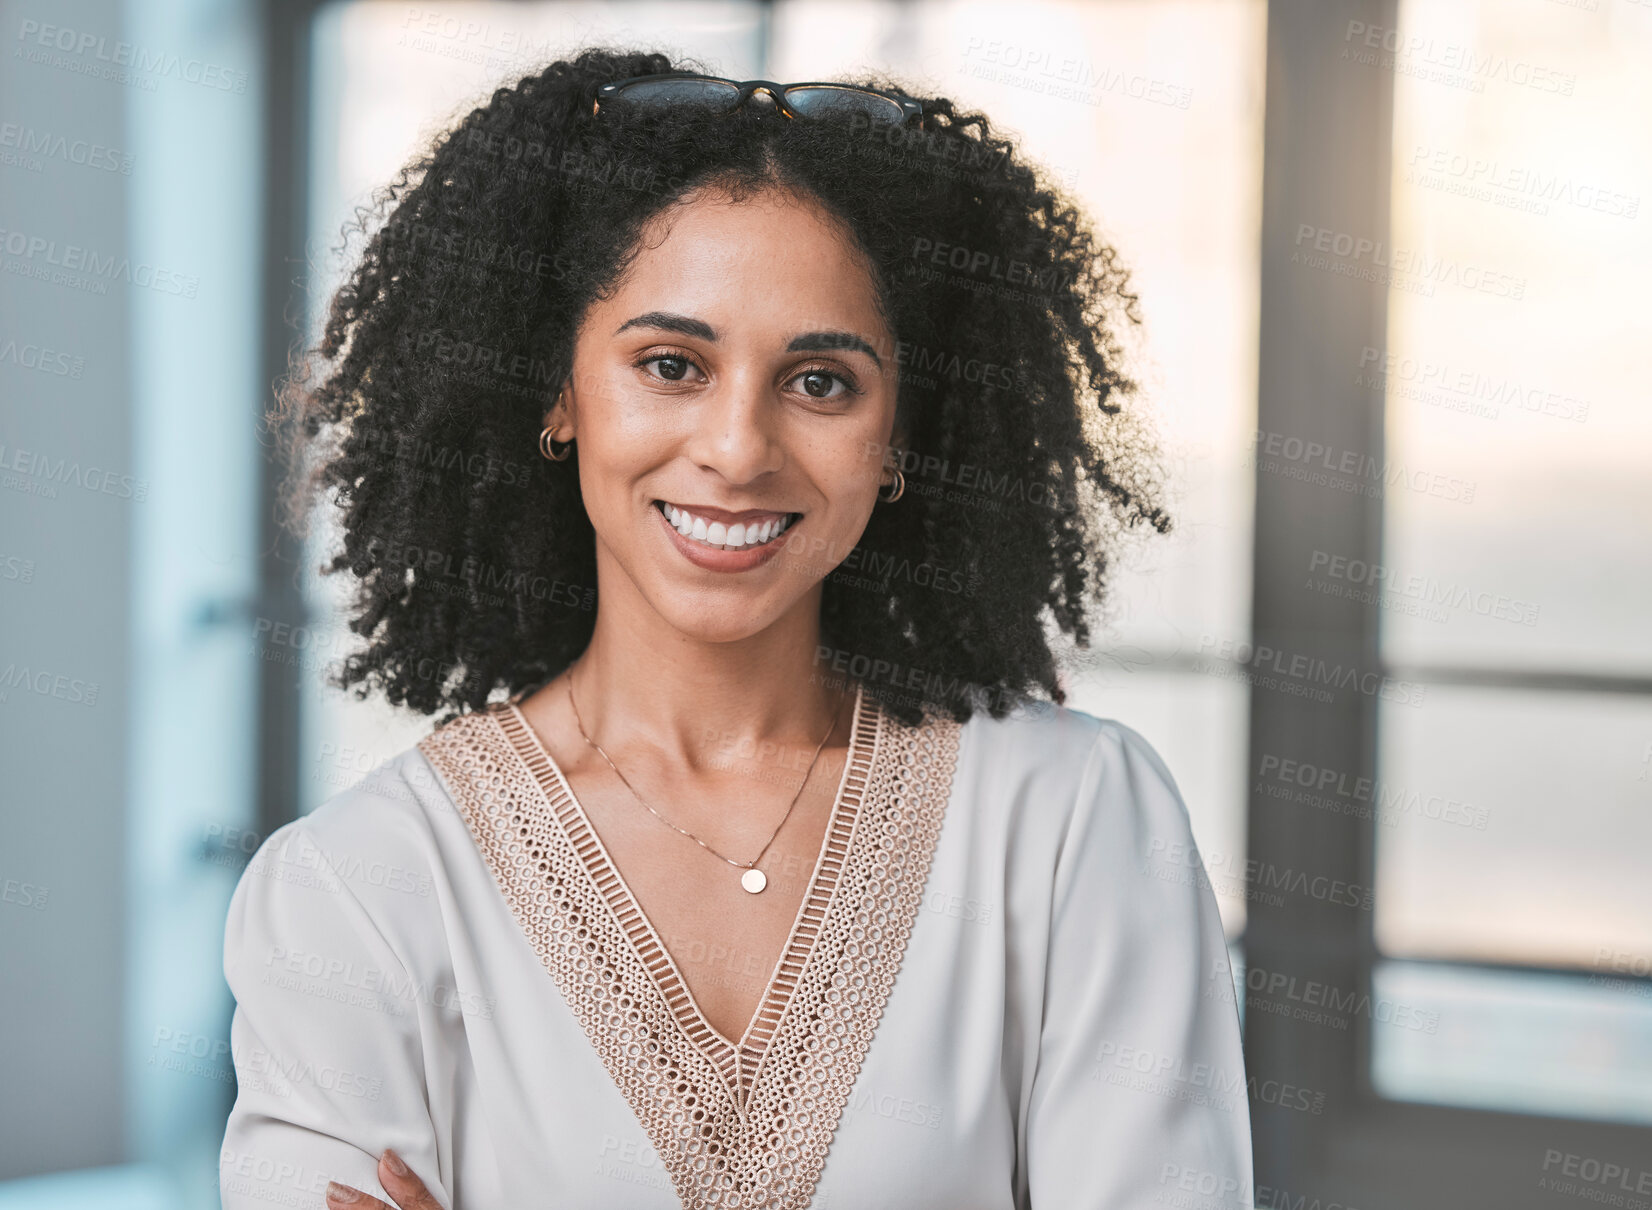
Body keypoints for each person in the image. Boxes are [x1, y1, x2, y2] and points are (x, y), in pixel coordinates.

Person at [220, 47, 1250, 1210]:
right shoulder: (358, 889)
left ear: (900, 434)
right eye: (670, 364)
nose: (737, 447)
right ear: (557, 392)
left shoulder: (1073, 826)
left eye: (820, 382)